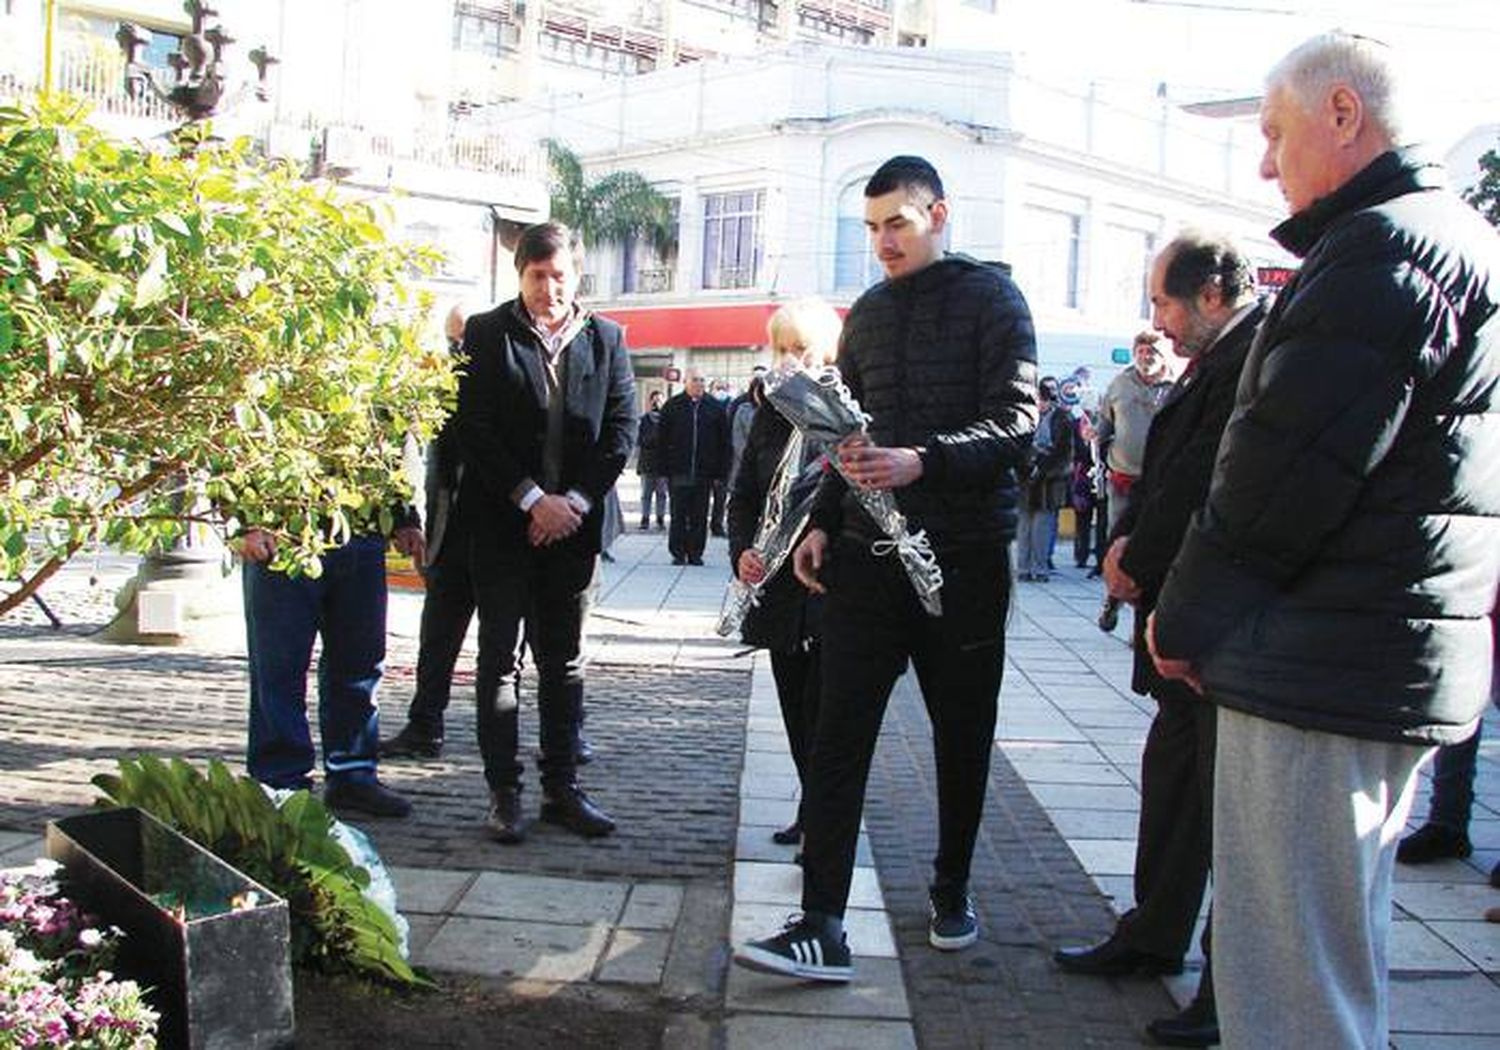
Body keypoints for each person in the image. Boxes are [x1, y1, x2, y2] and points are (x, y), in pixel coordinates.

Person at [1147, 33, 1500, 1049]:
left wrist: (1184, 615)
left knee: (1292, 983)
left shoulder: (1384, 249)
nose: (1265, 163)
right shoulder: (1441, 235)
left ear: (1343, 114)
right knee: (1331, 961)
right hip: (1367, 658)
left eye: (1274, 133)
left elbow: (1280, 476)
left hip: (1324, 664)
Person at [734, 155, 1037, 982]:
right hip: (866, 560)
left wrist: (922, 462)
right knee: (838, 736)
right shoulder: (864, 315)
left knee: (962, 732)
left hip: (965, 561)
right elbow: (843, 442)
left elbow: (1018, 429)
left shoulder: (995, 301)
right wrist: (820, 524)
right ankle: (822, 919)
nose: (882, 243)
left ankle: (952, 886)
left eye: (895, 224)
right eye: (870, 229)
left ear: (938, 215)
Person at [1053, 231, 1267, 1050]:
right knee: (1175, 784)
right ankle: (1154, 931)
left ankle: (1229, 987)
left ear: (1212, 294)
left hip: (1221, 627)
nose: (1158, 322)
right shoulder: (1214, 360)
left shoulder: (1256, 356)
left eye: (1164, 303)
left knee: (1229, 810)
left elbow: (1215, 483)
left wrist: (1138, 557)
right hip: (1179, 616)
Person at [456, 221, 637, 844]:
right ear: (521, 275)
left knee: (562, 663)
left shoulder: (608, 339)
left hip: (574, 531)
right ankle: (504, 791)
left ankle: (563, 787)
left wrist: (574, 504)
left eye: (559, 276)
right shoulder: (485, 333)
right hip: (503, 526)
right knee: (499, 661)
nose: (549, 288)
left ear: (576, 275)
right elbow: (472, 430)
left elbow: (620, 434)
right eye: (537, 276)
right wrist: (533, 500)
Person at [728, 299, 843, 850]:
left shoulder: (845, 411)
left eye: (801, 348)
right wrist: (744, 553)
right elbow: (743, 494)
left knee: (828, 717)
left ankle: (823, 819)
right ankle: (811, 805)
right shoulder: (769, 412)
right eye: (782, 349)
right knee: (796, 711)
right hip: (775, 589)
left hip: (829, 585)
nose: (790, 360)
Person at [240, 514, 423, 819]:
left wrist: (404, 519)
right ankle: (280, 781)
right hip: (284, 532)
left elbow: (387, 467)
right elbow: (235, 465)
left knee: (360, 662)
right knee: (279, 666)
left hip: (361, 531)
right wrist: (246, 524)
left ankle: (352, 775)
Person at [381, 304, 475, 761]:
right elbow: (409, 445)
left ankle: (553, 735)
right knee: (438, 634)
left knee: (515, 646)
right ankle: (425, 723)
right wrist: (407, 517)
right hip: (449, 526)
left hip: (504, 530)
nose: (457, 349)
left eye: (463, 340)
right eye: (452, 340)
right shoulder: (436, 380)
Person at [1096, 331, 1173, 532]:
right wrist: (1092, 433)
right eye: (1141, 351)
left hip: (1159, 479)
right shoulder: (1119, 384)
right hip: (1121, 478)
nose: (1145, 356)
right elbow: (1104, 425)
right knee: (1117, 533)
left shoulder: (1178, 387)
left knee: (1151, 535)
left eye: (1152, 351)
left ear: (1163, 356)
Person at [659, 371, 729, 566]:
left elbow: (724, 443)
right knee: (678, 513)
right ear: (685, 382)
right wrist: (663, 470)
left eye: (702, 380)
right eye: (695, 380)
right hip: (678, 470)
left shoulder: (714, 408)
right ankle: (678, 552)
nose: (699, 384)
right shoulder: (673, 406)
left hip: (704, 472)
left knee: (699, 514)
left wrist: (721, 472)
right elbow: (662, 440)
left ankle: (696, 552)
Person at [1015, 377, 1072, 582]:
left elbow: (1064, 452)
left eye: (1042, 400)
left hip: (1049, 481)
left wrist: (1045, 469)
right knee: (1024, 525)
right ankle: (1022, 567)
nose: (1039, 404)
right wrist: (1026, 466)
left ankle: (1040, 568)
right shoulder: (1023, 418)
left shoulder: (1062, 419)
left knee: (1042, 526)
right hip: (1025, 478)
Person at [635, 390, 668, 531]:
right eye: (655, 400)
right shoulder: (644, 420)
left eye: (660, 400)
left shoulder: (667, 421)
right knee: (646, 494)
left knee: (661, 493)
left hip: (662, 463)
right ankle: (645, 518)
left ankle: (660, 519)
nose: (657, 403)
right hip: (647, 463)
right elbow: (640, 440)